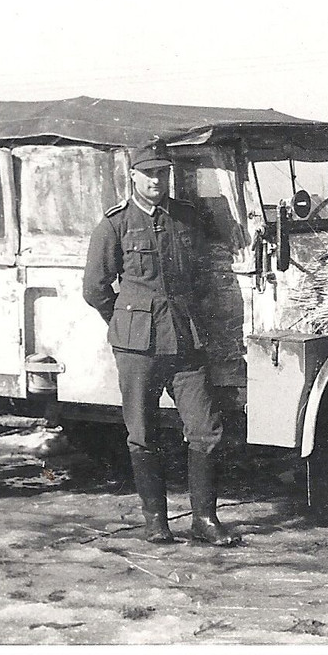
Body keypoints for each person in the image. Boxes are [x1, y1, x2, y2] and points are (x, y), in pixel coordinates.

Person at [82, 138, 240, 547]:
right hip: (138, 348)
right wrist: (127, 320)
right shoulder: (115, 224)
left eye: (163, 172)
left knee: (206, 430)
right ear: (133, 176)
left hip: (186, 341)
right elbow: (95, 288)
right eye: (149, 173)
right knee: (144, 434)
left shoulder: (186, 219)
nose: (157, 180)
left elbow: (203, 277)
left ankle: (204, 519)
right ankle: (156, 522)